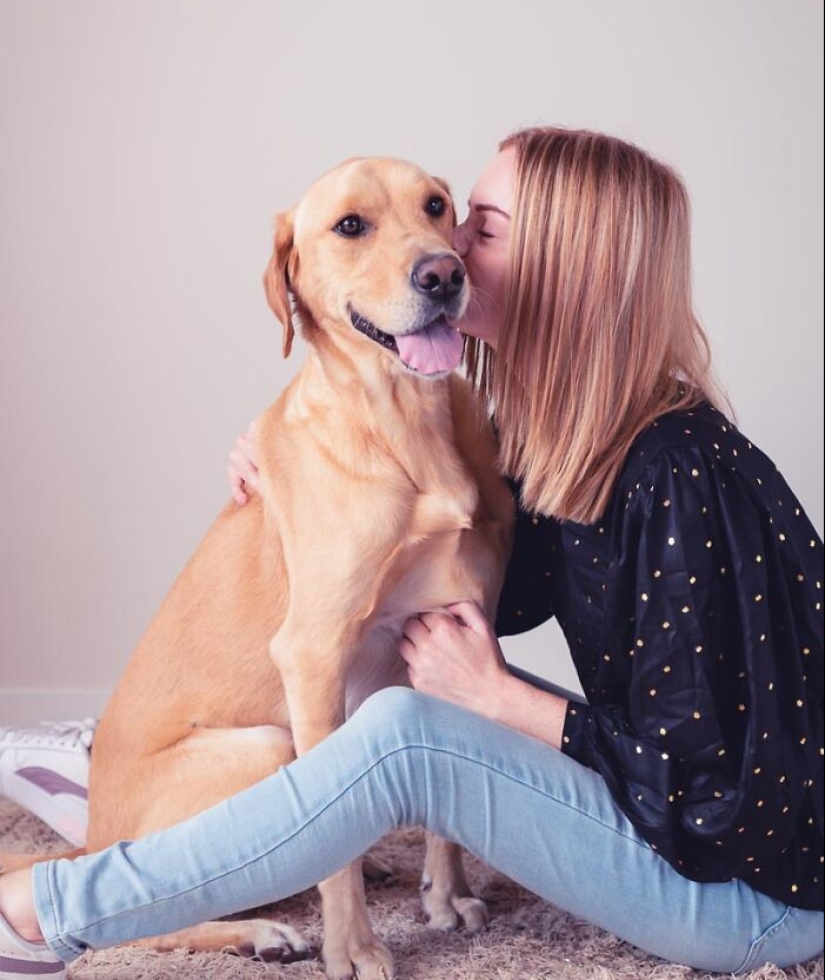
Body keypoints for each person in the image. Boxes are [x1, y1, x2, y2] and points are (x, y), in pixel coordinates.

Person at [0, 127, 822, 979]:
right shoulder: (562, 441)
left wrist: (503, 699)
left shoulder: (678, 474)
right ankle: (109, 784)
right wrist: (279, 454)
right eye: (457, 216)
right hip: (707, 843)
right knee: (420, 707)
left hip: (756, 901)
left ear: (571, 268)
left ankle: (46, 909)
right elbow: (481, 596)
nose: (441, 249)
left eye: (479, 227)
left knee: (407, 734)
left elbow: (725, 801)